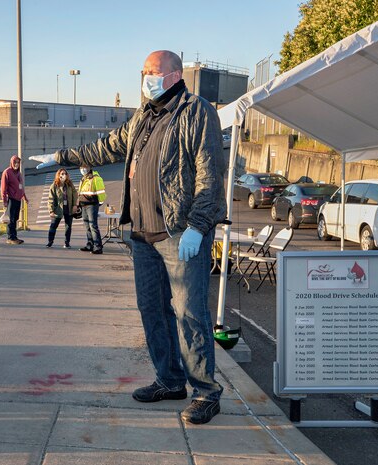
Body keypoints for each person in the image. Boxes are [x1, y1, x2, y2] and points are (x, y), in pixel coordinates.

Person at [30, 50, 226, 424]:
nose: (145, 77)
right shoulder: (144, 116)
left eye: (152, 72)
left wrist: (199, 226)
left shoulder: (196, 111)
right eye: (144, 72)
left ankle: (205, 392)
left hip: (178, 233)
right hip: (141, 234)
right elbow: (107, 147)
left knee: (190, 314)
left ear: (173, 75)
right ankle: (170, 380)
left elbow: (209, 174)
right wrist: (62, 156)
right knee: (152, 310)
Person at [77, 164, 106, 254]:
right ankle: (90, 244)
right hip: (84, 205)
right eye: (81, 168)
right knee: (87, 226)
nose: (83, 169)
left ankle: (98, 247)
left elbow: (101, 193)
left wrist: (98, 204)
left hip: (91, 205)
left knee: (93, 226)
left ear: (90, 168)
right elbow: (80, 192)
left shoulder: (96, 178)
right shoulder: (83, 178)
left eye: (85, 168)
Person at [47, 168, 78, 248]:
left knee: (68, 226)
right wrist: (51, 210)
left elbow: (75, 194)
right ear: (59, 175)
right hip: (58, 209)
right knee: (53, 225)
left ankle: (67, 242)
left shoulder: (70, 184)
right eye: (62, 174)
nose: (64, 175)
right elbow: (51, 198)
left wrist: (75, 205)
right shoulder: (54, 185)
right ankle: (50, 241)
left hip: (68, 208)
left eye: (65, 174)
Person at [0, 155, 28, 245]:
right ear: (11, 162)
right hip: (11, 199)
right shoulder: (7, 172)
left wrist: (24, 197)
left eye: (18, 162)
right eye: (15, 162)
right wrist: (4, 201)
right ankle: (10, 238)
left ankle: (14, 237)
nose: (16, 164)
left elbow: (21, 187)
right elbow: (3, 188)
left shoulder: (18, 174)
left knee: (15, 218)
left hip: (18, 199)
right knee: (10, 219)